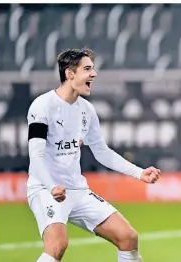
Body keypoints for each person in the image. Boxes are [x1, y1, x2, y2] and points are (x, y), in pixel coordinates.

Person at [27, 47, 161, 262]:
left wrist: (139, 173)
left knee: (128, 237)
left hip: (77, 190)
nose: (94, 74)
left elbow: (101, 151)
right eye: (87, 69)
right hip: (45, 188)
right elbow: (36, 155)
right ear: (70, 74)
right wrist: (52, 186)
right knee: (57, 245)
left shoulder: (87, 110)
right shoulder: (42, 106)